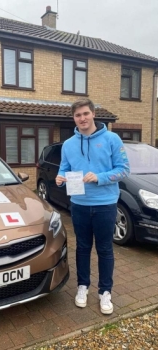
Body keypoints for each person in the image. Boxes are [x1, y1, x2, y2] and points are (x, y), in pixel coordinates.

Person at [55, 98, 130, 315]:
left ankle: (105, 291)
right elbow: (64, 167)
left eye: (86, 113)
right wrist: (60, 177)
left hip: (106, 204)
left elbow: (124, 169)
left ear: (93, 114)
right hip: (79, 205)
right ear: (74, 118)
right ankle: (83, 286)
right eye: (78, 115)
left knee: (105, 249)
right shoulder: (68, 144)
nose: (82, 118)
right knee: (83, 247)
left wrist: (99, 177)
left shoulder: (112, 139)